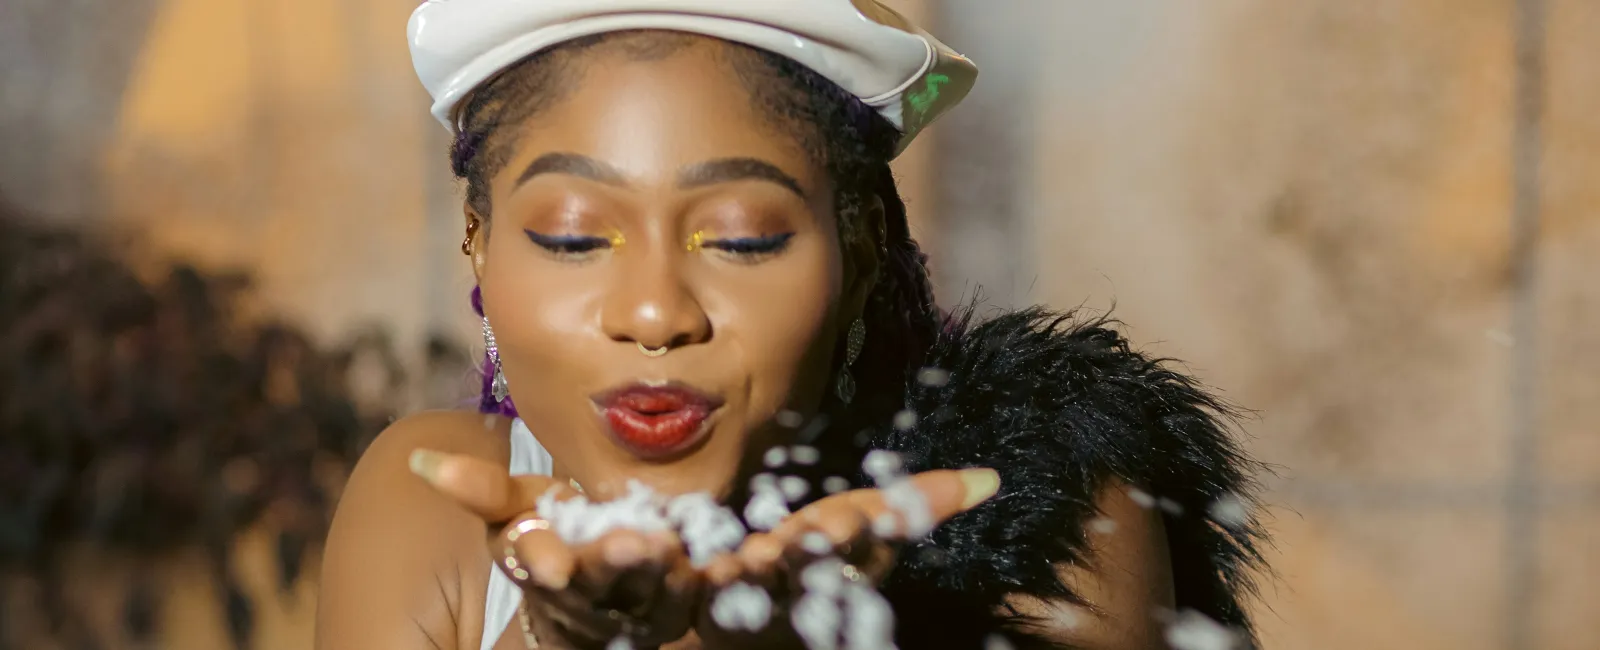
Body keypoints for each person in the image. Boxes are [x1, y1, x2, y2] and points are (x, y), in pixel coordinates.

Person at [318, 2, 1267, 649]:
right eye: (573, 238)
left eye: (741, 238)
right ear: (479, 246)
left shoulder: (1056, 522)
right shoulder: (429, 512)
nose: (656, 311)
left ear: (856, 252)